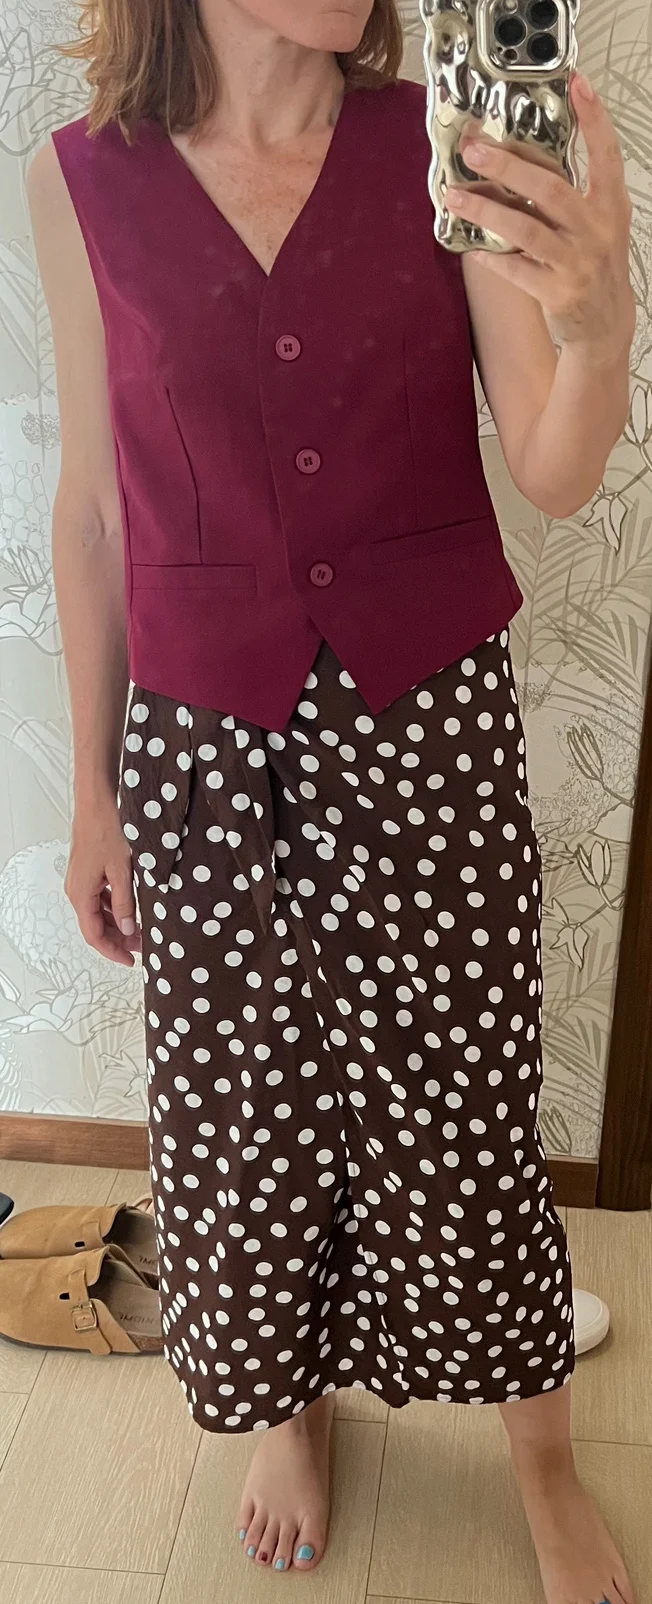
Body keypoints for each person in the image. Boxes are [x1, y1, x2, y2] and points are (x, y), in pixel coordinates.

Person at [27, 1, 635, 1599]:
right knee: (244, 1122)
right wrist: (93, 795)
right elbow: (93, 512)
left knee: (464, 1109)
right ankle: (289, 1406)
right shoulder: (80, 177)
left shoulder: (445, 146)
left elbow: (555, 468)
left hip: (425, 725)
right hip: (200, 749)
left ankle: (543, 1455)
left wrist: (599, 323)